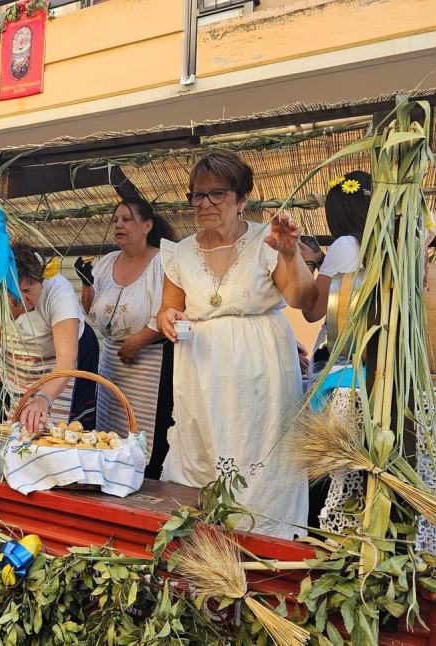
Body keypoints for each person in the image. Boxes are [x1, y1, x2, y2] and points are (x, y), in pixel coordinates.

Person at [157, 151, 318, 540]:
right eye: (197, 195)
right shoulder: (179, 253)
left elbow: (302, 299)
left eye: (217, 194)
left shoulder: (268, 239)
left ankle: (266, 547)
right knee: (203, 457)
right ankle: (205, 551)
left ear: (242, 197)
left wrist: (290, 254)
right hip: (200, 371)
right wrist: (167, 320)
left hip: (260, 369)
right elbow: (168, 309)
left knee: (260, 458)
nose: (204, 204)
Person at [76, 198, 176, 478]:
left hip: (149, 360)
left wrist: (136, 342)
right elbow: (92, 311)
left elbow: (167, 309)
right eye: (116, 219)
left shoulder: (162, 261)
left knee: (145, 429)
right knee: (110, 423)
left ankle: (145, 478)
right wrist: (86, 284)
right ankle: (111, 475)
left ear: (147, 226)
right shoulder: (107, 262)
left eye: (127, 219)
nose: (119, 224)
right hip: (113, 358)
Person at [3, 243, 99, 436]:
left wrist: (43, 398)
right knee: (19, 423)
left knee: (62, 429)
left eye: (28, 290)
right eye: (14, 292)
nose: (21, 299)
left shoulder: (58, 290)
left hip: (65, 354)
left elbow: (66, 359)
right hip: (23, 359)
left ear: (42, 282)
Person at [300, 170, 371, 380]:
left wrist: (309, 264)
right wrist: (324, 262)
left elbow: (312, 312)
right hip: (372, 362)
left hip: (339, 365)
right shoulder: (385, 246)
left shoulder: (345, 244)